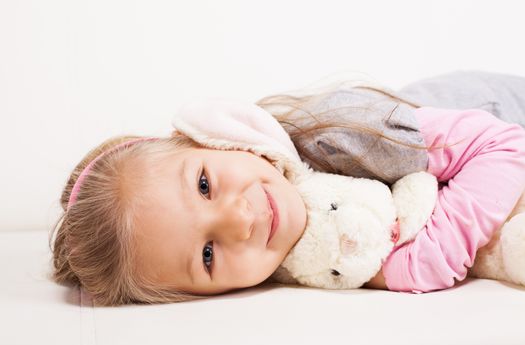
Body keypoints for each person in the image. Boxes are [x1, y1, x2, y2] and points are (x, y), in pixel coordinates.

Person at [50, 71, 525, 306]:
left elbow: (504, 145)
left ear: (213, 139)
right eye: (208, 255)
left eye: (203, 185)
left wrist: (422, 261)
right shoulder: (290, 261)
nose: (239, 220)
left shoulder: (342, 135)